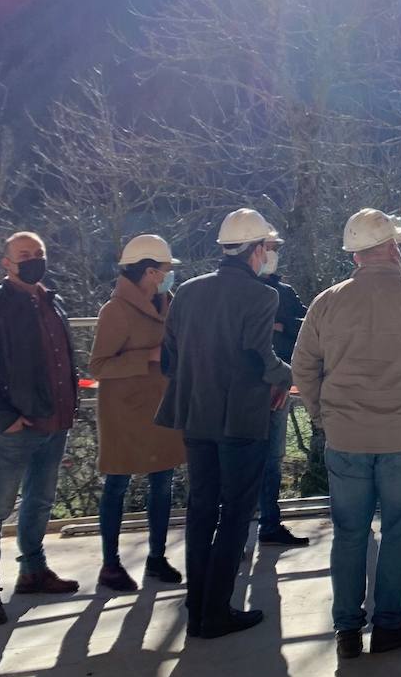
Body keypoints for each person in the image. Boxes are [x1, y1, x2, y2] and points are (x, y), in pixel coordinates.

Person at [292, 209, 401, 658]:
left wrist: (321, 415)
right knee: (399, 529)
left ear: (355, 257)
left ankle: (347, 629)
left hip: (345, 437)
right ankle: (389, 623)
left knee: (349, 532)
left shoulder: (327, 302)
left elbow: (304, 366)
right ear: (392, 248)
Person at [155, 208, 292, 639]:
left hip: (197, 418)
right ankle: (216, 611)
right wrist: (289, 376)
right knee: (235, 514)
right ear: (253, 250)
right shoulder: (261, 296)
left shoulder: (189, 293)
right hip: (241, 421)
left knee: (200, 511)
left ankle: (197, 606)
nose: (269, 254)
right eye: (267, 247)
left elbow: (168, 359)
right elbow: (259, 357)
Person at [0, 231, 81, 626]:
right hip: (15, 427)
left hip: (55, 421)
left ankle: (32, 570)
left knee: (40, 502)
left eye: (39, 253)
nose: (33, 259)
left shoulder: (52, 300)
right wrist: (3, 418)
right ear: (6, 263)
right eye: (24, 254)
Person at [89, 234, 186, 592]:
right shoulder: (114, 310)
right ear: (148, 271)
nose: (168, 275)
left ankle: (157, 558)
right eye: (164, 269)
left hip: (161, 408)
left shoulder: (169, 303)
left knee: (162, 484)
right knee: (117, 484)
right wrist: (146, 357)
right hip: (125, 414)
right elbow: (98, 365)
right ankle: (110, 565)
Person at [257, 239, 309, 547]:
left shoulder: (286, 293)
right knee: (241, 461)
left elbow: (305, 323)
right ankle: (234, 531)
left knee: (273, 460)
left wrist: (282, 325)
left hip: (280, 388)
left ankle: (270, 523)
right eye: (268, 247)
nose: (272, 254)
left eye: (276, 247)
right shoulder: (238, 293)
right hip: (246, 392)